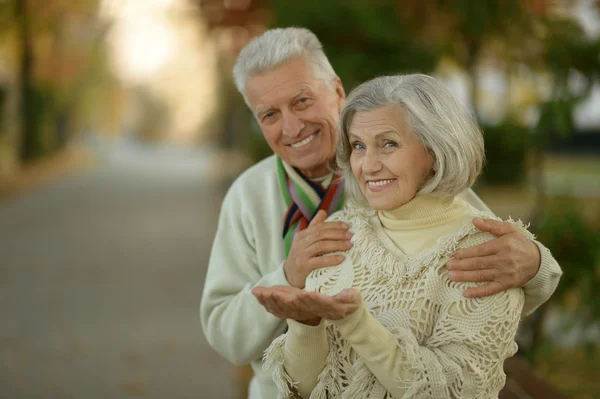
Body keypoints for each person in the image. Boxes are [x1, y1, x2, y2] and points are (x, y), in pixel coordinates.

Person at [200, 27, 562, 399]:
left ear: (337, 91)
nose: (292, 127)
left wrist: (535, 263)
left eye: (302, 101)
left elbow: (489, 262)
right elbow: (226, 337)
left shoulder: (422, 179)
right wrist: (289, 276)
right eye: (270, 115)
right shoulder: (247, 195)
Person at [253, 73, 538, 398]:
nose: (368, 165)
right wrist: (305, 324)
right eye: (358, 146)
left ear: (435, 150)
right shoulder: (339, 233)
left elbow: (454, 392)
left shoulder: (486, 252)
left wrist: (357, 323)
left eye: (388, 144)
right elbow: (303, 389)